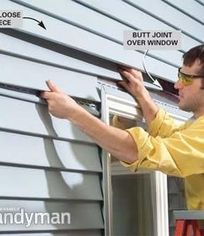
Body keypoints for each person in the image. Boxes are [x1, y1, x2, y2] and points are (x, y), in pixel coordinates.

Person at [41, 44, 204, 230]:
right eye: (179, 75)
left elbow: (143, 150)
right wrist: (143, 96)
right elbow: (174, 135)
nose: (177, 84)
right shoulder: (197, 126)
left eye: (186, 79)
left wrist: (74, 113)